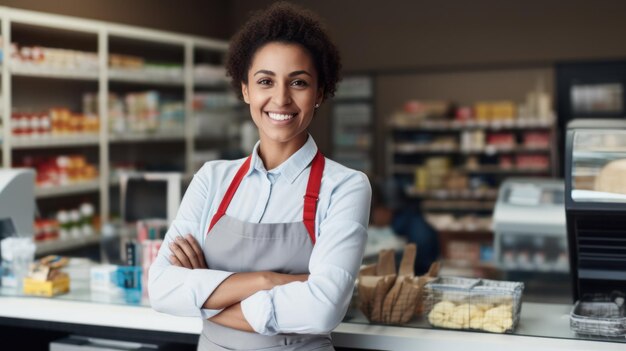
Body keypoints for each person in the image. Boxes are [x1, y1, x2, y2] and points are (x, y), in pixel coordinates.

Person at [148, 3, 372, 351]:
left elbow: (322, 309)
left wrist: (207, 301)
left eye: (298, 82)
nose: (280, 98)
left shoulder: (345, 186)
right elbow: (162, 288)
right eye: (265, 81)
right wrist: (270, 281)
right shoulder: (212, 179)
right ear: (246, 90)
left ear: (320, 93)